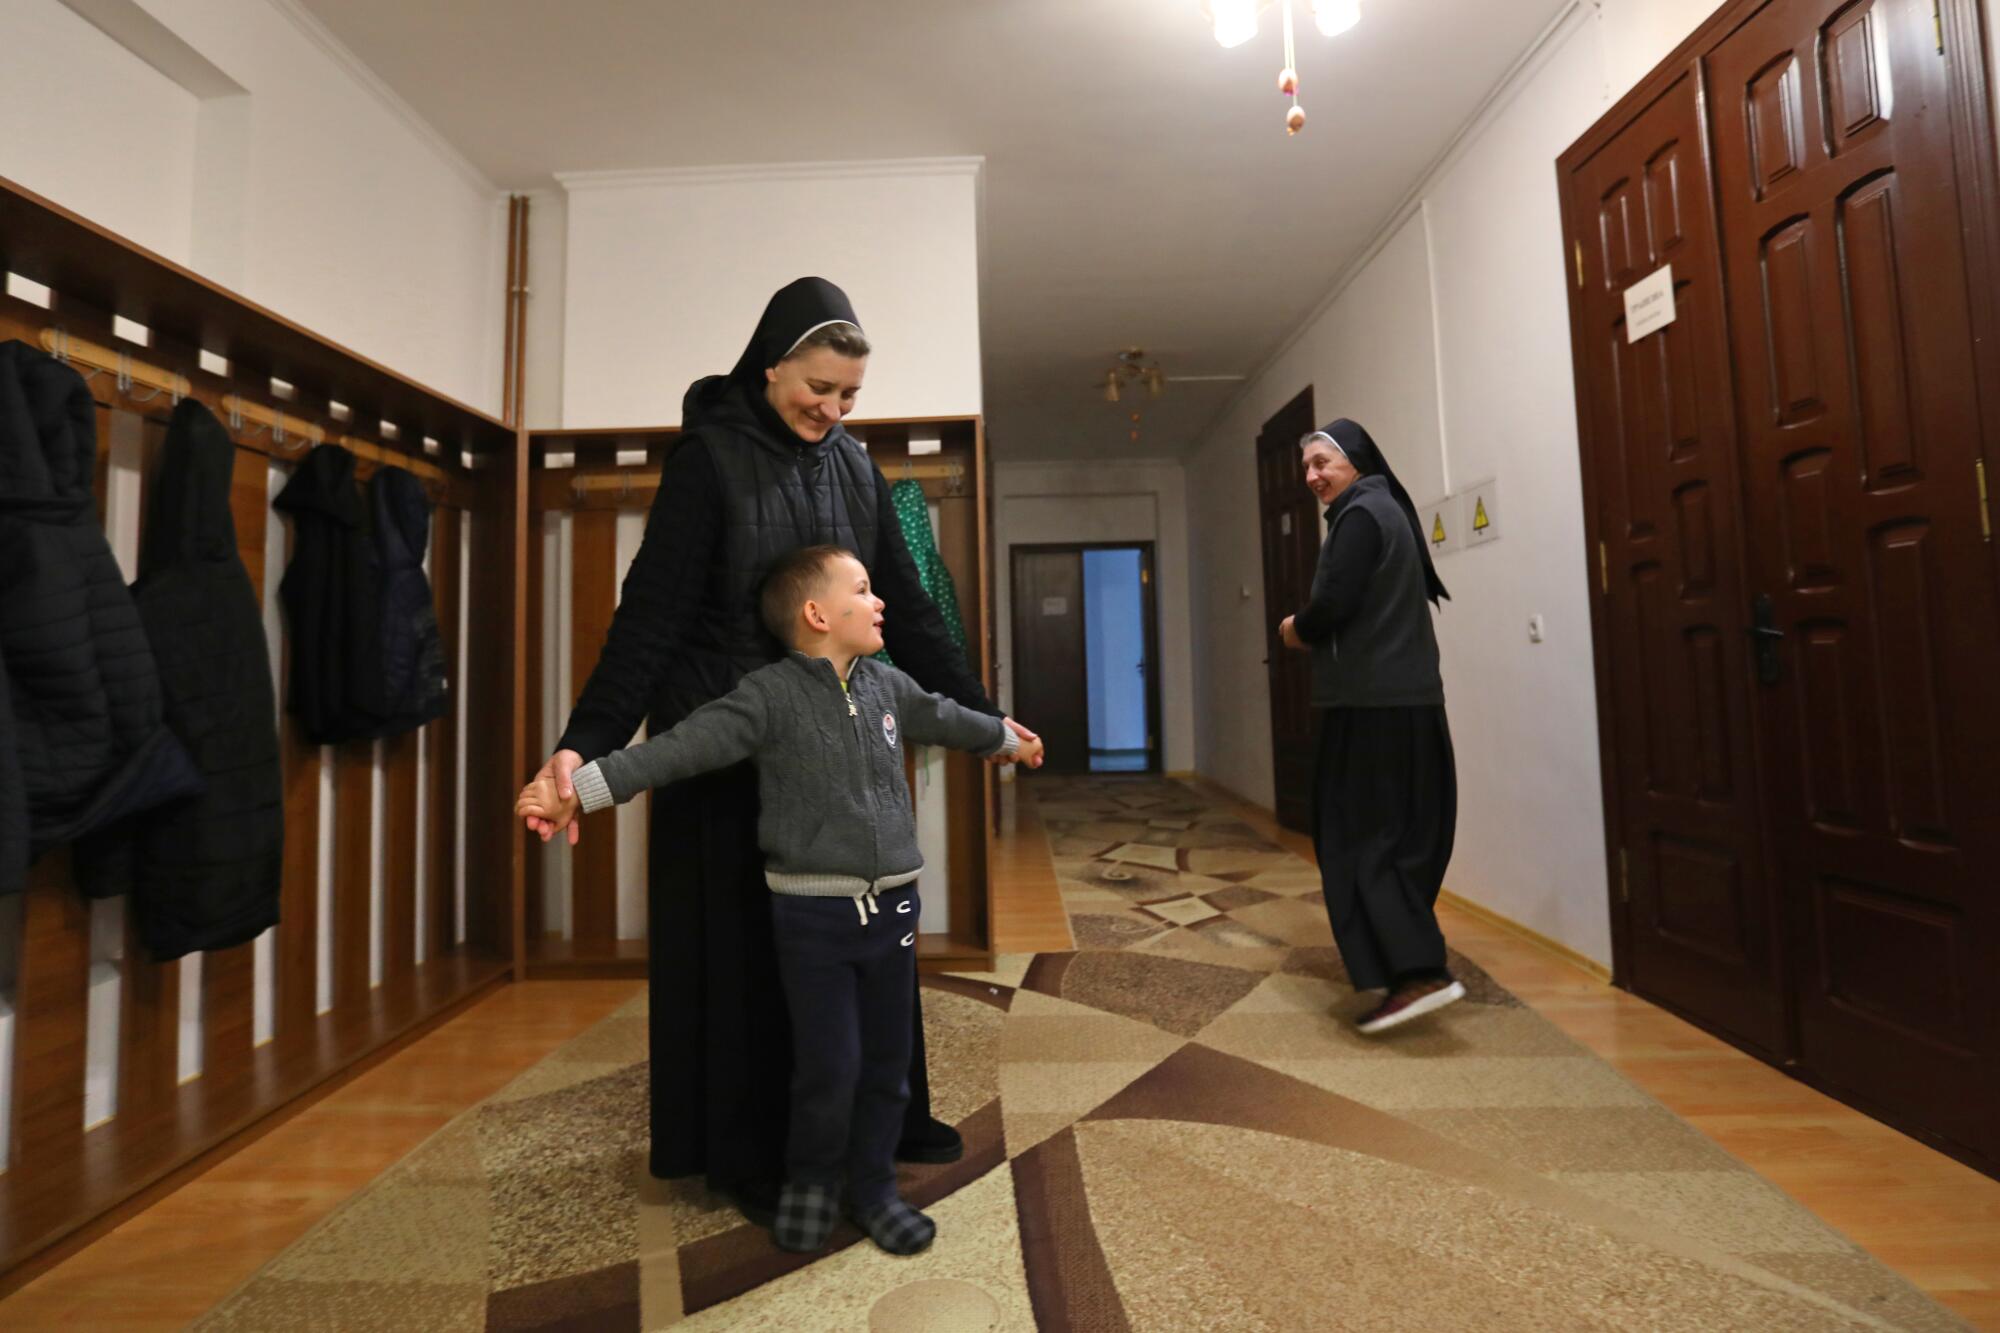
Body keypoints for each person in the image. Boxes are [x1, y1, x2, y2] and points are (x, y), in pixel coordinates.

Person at [522, 277, 1040, 1224]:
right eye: (818, 388)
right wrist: (581, 746)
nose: (833, 409)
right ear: (772, 364)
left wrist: (983, 717)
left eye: (849, 395)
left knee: (868, 947)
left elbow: (911, 615)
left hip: (838, 752)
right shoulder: (707, 463)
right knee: (757, 965)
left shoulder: (856, 467)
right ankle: (753, 1154)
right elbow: (647, 622)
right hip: (728, 751)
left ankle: (879, 1125)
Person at [518, 546, 1043, 1255]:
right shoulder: (766, 696)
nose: (879, 599)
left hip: (892, 912)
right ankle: (810, 1184)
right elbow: (675, 750)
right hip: (812, 918)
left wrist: (1004, 737)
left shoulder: (888, 685)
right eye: (863, 588)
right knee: (827, 1065)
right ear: (817, 614)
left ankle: (875, 1188)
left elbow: (947, 716)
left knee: (887, 1065)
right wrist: (576, 789)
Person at [1278, 418, 1462, 1034]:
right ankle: (1410, 965)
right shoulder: (1385, 511)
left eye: (1322, 463)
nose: (1312, 477)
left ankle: (1417, 972)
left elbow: (1334, 605)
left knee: (1357, 839)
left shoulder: (1361, 517)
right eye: (1305, 468)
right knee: (1396, 838)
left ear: (1355, 460)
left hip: (1369, 708)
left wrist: (1294, 629)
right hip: (1408, 705)